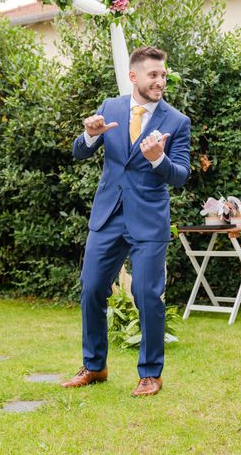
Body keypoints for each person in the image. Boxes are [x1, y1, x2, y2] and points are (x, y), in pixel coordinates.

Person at [62, 46, 191, 396]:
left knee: (146, 294)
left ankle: (150, 374)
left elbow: (180, 175)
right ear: (134, 76)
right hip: (108, 215)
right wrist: (89, 135)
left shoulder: (177, 121)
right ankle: (94, 366)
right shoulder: (111, 107)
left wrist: (158, 160)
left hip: (148, 221)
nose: (160, 81)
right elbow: (80, 151)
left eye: (164, 75)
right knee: (91, 288)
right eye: (153, 75)